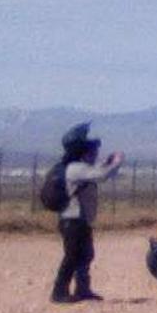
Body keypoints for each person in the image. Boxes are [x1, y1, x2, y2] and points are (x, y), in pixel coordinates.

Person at [51, 122, 124, 303]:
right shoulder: (75, 168)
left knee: (86, 254)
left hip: (79, 220)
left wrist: (106, 163)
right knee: (72, 256)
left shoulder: (76, 167)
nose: (94, 153)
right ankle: (59, 292)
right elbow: (101, 175)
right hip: (72, 221)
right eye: (91, 150)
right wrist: (116, 162)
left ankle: (83, 289)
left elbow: (95, 171)